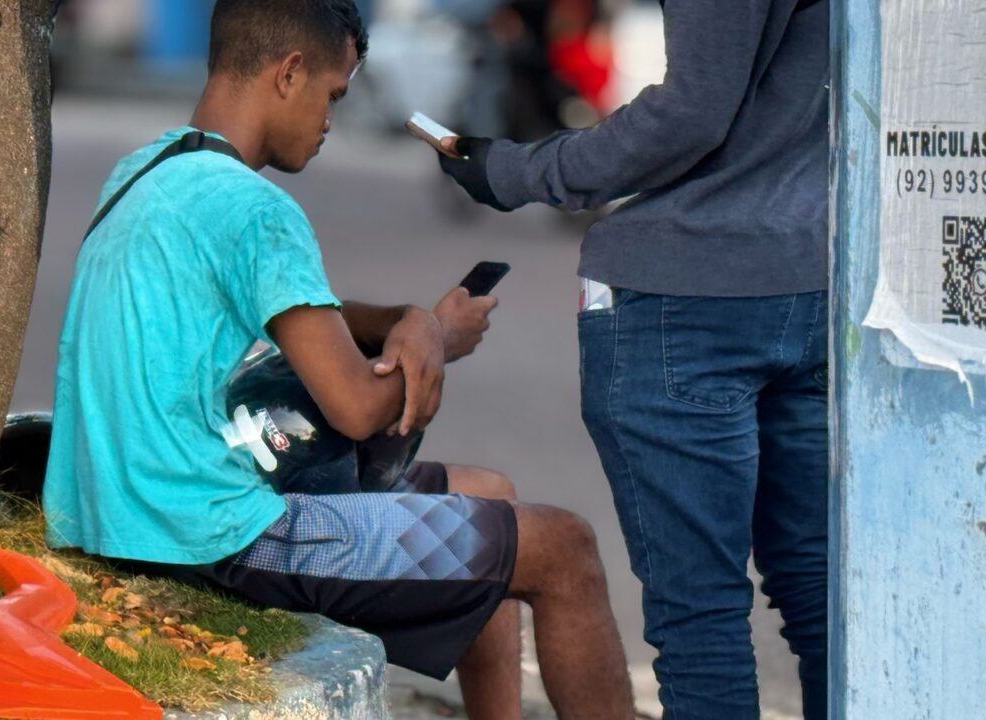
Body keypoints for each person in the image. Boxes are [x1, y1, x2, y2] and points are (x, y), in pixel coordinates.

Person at [42, 1, 635, 718]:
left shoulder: (145, 173)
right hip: (215, 537)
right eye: (332, 95)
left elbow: (304, 309)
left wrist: (405, 320)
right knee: (564, 548)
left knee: (491, 493)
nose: (329, 121)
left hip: (117, 514)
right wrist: (437, 343)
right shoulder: (256, 210)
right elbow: (357, 411)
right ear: (289, 73)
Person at [437, 1, 829, 718]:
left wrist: (519, 171)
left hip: (688, 293)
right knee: (821, 592)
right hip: (811, 279)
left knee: (700, 609)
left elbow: (695, 111)